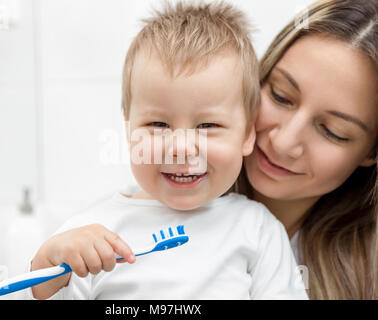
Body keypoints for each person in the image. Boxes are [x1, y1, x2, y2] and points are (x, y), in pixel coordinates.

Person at [28, 2, 307, 300]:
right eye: (158, 124)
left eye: (208, 125)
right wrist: (46, 269)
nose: (181, 148)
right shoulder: (90, 236)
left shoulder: (257, 229)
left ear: (248, 134)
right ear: (129, 131)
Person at [235, 0, 377, 299]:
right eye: (280, 96)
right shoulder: (152, 209)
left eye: (332, 132)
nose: (284, 142)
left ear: (371, 153)